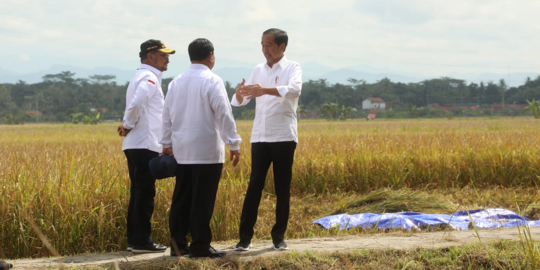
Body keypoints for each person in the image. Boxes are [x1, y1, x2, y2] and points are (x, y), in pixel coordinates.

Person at [161, 38, 242, 258]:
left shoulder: (175, 82)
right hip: (206, 151)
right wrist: (233, 143)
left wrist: (166, 144)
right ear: (210, 55)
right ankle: (200, 245)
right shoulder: (212, 80)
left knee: (182, 197)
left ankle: (177, 245)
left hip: (181, 150)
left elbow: (166, 116)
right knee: (202, 200)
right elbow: (223, 114)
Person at [231, 28, 302, 251]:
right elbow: (239, 100)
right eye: (262, 45)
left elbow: (294, 90)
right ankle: (244, 239)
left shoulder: (293, 67)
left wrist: (266, 90)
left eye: (269, 45)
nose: (265, 49)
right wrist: (241, 92)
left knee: (282, 187)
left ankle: (278, 237)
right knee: (254, 186)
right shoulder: (258, 69)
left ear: (282, 47)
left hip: (283, 137)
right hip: (260, 137)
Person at [117, 39, 175, 253]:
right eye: (163, 54)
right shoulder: (149, 77)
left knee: (139, 192)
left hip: (136, 144)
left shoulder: (142, 76)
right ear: (151, 56)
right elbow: (139, 100)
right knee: (145, 193)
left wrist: (127, 123)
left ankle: (135, 240)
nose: (167, 59)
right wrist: (127, 123)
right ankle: (141, 241)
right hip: (144, 144)